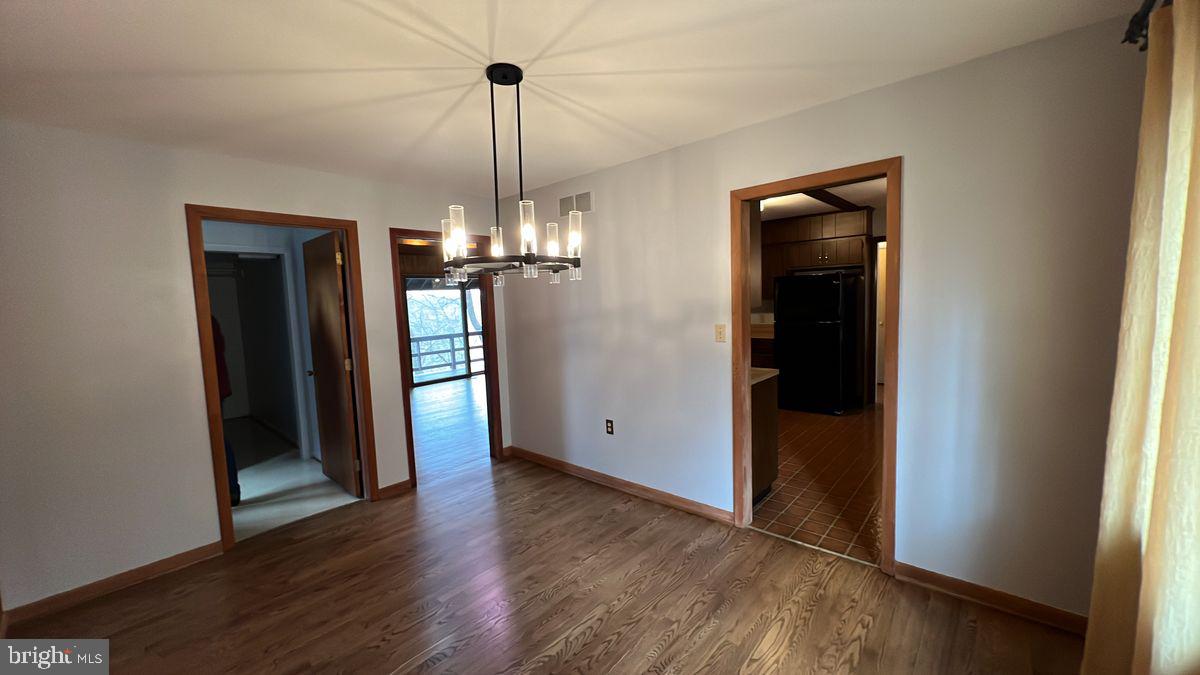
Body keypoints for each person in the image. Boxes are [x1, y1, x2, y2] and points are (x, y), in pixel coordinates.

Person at [212, 316, 241, 506]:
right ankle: (230, 490)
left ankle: (231, 489)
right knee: (218, 438)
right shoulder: (210, 320)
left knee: (218, 439)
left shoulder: (204, 319)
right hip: (217, 387)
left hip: (213, 389)